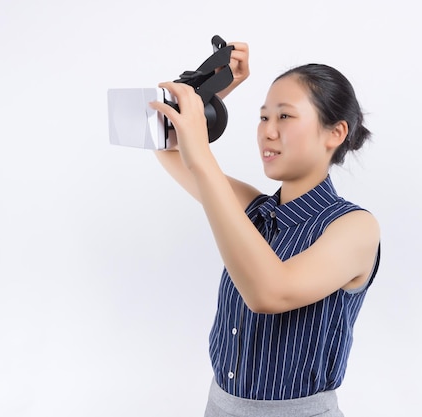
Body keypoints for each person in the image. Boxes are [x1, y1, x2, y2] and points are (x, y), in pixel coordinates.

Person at [149, 41, 381, 417]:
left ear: (335, 133)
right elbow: (167, 147)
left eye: (285, 117)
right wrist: (207, 93)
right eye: (262, 118)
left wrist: (204, 158)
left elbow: (270, 292)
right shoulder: (254, 211)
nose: (267, 133)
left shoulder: (354, 227)